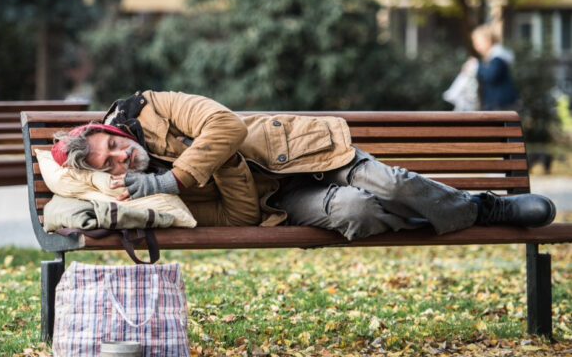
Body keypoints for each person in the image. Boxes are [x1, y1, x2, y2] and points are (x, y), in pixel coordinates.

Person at [50, 91, 555, 241]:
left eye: (112, 145)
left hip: (302, 153)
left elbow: (225, 125)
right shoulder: (150, 199)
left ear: (112, 130)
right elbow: (241, 217)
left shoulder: (154, 105)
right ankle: (452, 213)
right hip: (283, 200)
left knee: (388, 181)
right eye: (108, 164)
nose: (120, 157)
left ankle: (484, 207)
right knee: (358, 213)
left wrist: (173, 175)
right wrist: (210, 169)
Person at [466, 24, 519, 111]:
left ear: (488, 40)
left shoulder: (497, 57)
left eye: (478, 42)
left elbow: (490, 76)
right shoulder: (495, 56)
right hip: (499, 104)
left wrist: (476, 66)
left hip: (501, 104)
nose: (476, 46)